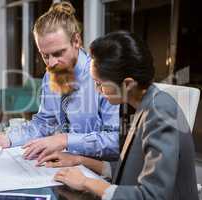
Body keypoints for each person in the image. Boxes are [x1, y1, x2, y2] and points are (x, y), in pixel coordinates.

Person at [39, 31, 199, 200]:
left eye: (100, 84)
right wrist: (79, 160)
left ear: (128, 84)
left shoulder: (161, 113)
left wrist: (87, 182)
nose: (97, 90)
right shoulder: (143, 104)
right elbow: (130, 170)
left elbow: (153, 196)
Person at [0, 2, 119, 161]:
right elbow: (43, 124)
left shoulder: (103, 75)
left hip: (99, 172)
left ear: (76, 41)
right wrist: (7, 139)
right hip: (65, 165)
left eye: (58, 53)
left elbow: (115, 142)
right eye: (45, 56)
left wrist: (65, 139)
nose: (51, 63)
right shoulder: (51, 76)